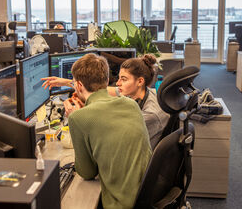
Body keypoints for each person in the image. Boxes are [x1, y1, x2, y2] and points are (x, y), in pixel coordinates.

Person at [51, 53, 152, 208]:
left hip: (120, 203)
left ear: (78, 85)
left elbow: (87, 172)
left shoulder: (78, 117)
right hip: (145, 196)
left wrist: (77, 117)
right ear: (107, 81)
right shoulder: (131, 104)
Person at [42, 54, 169, 149]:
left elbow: (109, 139)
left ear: (140, 81)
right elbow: (100, 89)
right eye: (119, 78)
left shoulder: (150, 114)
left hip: (139, 171)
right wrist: (70, 82)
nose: (118, 83)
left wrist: (80, 117)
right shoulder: (140, 92)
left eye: (123, 79)